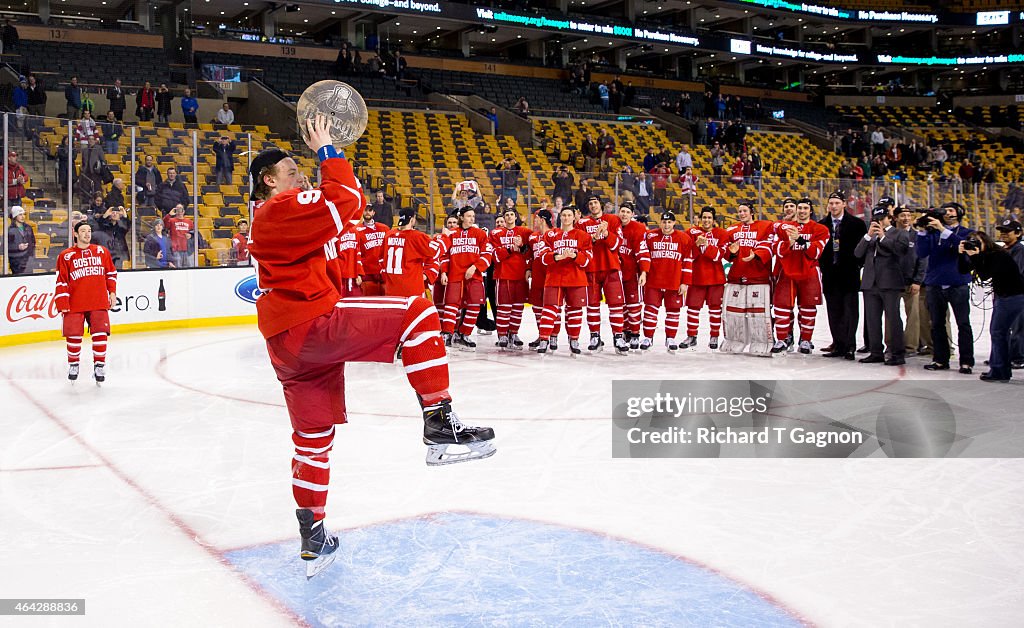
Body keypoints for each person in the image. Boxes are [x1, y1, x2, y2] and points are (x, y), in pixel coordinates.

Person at [245, 119, 494, 577]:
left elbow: (339, 222)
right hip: (311, 324)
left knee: (313, 440)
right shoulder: (277, 209)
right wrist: (326, 150)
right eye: (291, 171)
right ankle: (439, 423)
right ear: (269, 180)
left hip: (287, 344)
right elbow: (347, 198)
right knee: (419, 312)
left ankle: (313, 534)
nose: (300, 177)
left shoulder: (271, 220)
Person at [54, 221, 117, 384]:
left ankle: (99, 365)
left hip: (98, 300)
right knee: (73, 334)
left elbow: (110, 273)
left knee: (100, 333)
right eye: (83, 231)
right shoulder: (66, 256)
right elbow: (61, 281)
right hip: (75, 302)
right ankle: (73, 364)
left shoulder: (102, 252)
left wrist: (112, 292)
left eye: (89, 231)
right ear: (75, 234)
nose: (87, 234)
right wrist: (62, 303)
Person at [916, 202, 974, 374]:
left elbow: (965, 245)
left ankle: (966, 361)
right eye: (945, 210)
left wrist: (942, 229)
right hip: (935, 283)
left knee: (963, 323)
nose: (947, 213)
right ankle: (941, 359)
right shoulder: (932, 233)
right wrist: (922, 231)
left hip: (957, 283)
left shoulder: (966, 232)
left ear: (959, 213)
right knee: (937, 324)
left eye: (951, 210)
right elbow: (921, 253)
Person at [959, 231, 1024, 382]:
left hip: (1013, 296)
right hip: (1005, 297)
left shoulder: (998, 255)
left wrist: (974, 256)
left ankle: (1000, 370)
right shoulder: (985, 255)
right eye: (970, 241)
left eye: (976, 241)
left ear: (986, 242)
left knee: (998, 332)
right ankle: (999, 368)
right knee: (998, 332)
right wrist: (962, 254)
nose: (973, 244)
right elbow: (963, 270)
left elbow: (984, 275)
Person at [770, 198, 830, 355]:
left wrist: (799, 239)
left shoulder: (821, 229)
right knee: (782, 307)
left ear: (810, 210)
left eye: (805, 208)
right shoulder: (786, 227)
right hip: (786, 272)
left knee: (808, 308)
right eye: (800, 208)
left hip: (809, 272)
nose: (802, 211)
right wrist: (788, 242)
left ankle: (806, 340)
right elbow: (777, 249)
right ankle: (782, 339)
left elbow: (816, 252)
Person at [855, 205, 910, 366]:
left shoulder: (899, 233)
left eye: (881, 219)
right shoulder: (870, 236)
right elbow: (858, 254)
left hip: (890, 282)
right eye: (875, 220)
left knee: (893, 319)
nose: (878, 222)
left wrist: (883, 237)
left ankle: (898, 353)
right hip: (870, 283)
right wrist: (867, 236)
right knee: (872, 320)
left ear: (889, 218)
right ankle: (876, 351)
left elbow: (900, 251)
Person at [536, 206, 593, 354]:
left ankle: (574, 340)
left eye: (569, 215)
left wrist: (575, 256)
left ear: (574, 217)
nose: (566, 218)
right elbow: (542, 258)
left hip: (576, 278)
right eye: (564, 215)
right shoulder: (550, 235)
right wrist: (557, 257)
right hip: (554, 277)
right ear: (560, 217)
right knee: (549, 309)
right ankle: (545, 339)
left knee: (575, 311)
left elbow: (587, 260)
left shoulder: (583, 236)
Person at [720, 201, 775, 355]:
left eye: (745, 211)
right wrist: (732, 253)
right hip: (736, 277)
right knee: (732, 312)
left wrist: (756, 255)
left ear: (752, 212)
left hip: (758, 277)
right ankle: (734, 340)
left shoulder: (765, 226)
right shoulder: (731, 230)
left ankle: (763, 342)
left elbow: (770, 246)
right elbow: (726, 253)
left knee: (758, 313)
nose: (742, 213)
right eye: (740, 211)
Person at [819, 191, 868, 360]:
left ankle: (850, 345)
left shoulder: (857, 224)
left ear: (844, 204)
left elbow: (863, 249)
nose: (833, 206)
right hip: (830, 275)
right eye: (831, 203)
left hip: (849, 274)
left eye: (837, 203)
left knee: (850, 311)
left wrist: (856, 265)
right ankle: (838, 344)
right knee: (834, 311)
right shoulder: (822, 225)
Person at [578, 194, 627, 353]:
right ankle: (595, 336)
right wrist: (591, 239)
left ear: (601, 204)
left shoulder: (612, 220)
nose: (593, 206)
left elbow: (618, 244)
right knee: (592, 305)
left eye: (595, 202)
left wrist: (606, 234)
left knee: (615, 305)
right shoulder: (582, 223)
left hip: (611, 267)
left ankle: (618, 337)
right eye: (590, 203)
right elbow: (580, 246)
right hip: (591, 269)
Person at [438, 205, 492, 350]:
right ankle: (447, 334)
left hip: (474, 276)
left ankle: (464, 334)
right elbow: (444, 255)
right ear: (461, 217)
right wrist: (444, 272)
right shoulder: (452, 234)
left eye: (473, 216)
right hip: (455, 276)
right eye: (469, 216)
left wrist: (475, 267)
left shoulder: (480, 234)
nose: (471, 219)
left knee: (475, 305)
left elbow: (487, 255)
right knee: (451, 305)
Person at [640, 211, 693, 352]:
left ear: (674, 223)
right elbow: (644, 255)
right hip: (654, 281)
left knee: (673, 311)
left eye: (669, 222)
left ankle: (670, 338)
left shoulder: (684, 238)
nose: (666, 224)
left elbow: (687, 261)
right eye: (664, 222)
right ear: (660, 222)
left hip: (674, 281)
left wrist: (685, 282)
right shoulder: (650, 236)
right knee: (650, 310)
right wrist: (644, 273)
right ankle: (648, 337)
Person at [683, 206, 727, 349]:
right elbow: (687, 254)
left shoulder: (722, 233)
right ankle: (691, 336)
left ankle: (714, 336)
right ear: (700, 219)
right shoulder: (691, 232)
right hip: (697, 277)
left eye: (709, 218)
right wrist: (696, 245)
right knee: (692, 308)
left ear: (714, 220)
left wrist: (707, 246)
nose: (706, 220)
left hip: (716, 278)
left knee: (715, 309)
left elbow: (719, 256)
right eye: (704, 218)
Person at [490, 207, 532, 350]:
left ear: (516, 217)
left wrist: (522, 247)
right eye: (506, 215)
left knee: (518, 308)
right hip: (504, 275)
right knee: (504, 307)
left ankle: (513, 333)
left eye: (511, 214)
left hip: (520, 275)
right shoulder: (496, 233)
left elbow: (531, 252)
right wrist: (509, 250)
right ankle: (502, 334)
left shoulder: (525, 232)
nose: (509, 217)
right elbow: (494, 256)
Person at [380, 208, 440, 297]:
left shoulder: (388, 235)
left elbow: (381, 259)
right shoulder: (416, 236)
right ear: (412, 219)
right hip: (411, 290)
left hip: (391, 289)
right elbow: (436, 250)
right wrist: (444, 237)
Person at [617, 203, 650, 350]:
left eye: (627, 212)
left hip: (632, 273)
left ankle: (635, 333)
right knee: (621, 306)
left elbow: (642, 251)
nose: (624, 214)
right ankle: (626, 331)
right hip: (616, 273)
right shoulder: (614, 226)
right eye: (622, 211)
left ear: (632, 214)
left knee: (633, 305)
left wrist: (643, 271)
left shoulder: (637, 228)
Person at [355, 204, 389, 296]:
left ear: (374, 212)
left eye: (370, 210)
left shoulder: (384, 228)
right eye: (365, 210)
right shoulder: (356, 230)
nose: (367, 212)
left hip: (383, 272)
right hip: (367, 273)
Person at [7, 205, 34, 274]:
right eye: (20, 214)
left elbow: (33, 242)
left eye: (24, 214)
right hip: (16, 261)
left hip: (27, 260)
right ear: (15, 216)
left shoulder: (28, 228)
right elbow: (5, 247)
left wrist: (31, 257)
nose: (23, 216)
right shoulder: (10, 231)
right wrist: (17, 247)